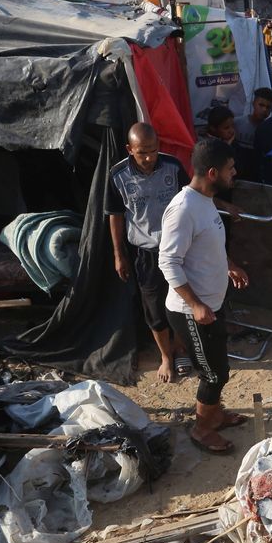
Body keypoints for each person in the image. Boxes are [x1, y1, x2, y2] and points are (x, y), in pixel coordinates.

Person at [159, 138, 250, 454]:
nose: (234, 173)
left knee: (219, 366)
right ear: (212, 172)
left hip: (210, 305)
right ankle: (202, 429)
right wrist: (195, 304)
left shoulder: (206, 200)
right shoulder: (183, 210)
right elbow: (167, 261)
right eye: (230, 168)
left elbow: (205, 246)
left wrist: (229, 265)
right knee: (213, 374)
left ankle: (216, 415)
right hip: (191, 311)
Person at [106, 122, 190, 383]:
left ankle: (181, 348)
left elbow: (190, 201)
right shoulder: (118, 175)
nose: (149, 158)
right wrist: (119, 254)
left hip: (177, 248)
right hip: (145, 253)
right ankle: (165, 356)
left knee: (181, 299)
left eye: (153, 151)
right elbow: (116, 216)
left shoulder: (173, 168)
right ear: (130, 149)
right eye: (142, 152)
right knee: (154, 307)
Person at [233, 87, 272, 177]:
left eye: (268, 107)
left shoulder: (269, 129)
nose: (264, 110)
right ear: (253, 103)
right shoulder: (237, 123)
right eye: (261, 105)